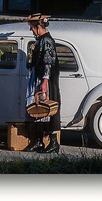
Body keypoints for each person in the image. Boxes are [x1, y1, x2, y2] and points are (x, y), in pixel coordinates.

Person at [25, 13, 61, 153]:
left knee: (47, 108)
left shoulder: (46, 41)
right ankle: (38, 140)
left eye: (32, 28)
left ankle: (53, 142)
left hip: (46, 80)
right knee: (37, 108)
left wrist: (45, 81)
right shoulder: (41, 40)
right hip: (39, 78)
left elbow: (48, 62)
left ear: (38, 27)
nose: (32, 31)